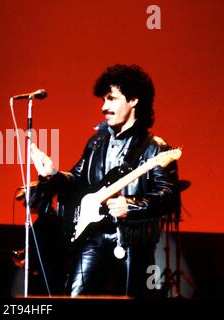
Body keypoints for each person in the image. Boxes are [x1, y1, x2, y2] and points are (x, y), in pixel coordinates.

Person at [29, 64, 180, 298]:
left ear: (134, 100)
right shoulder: (96, 142)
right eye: (103, 100)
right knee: (74, 297)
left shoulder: (155, 149)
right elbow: (78, 181)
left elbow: (169, 195)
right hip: (92, 236)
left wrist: (130, 206)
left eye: (111, 99)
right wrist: (53, 174)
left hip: (132, 241)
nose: (104, 107)